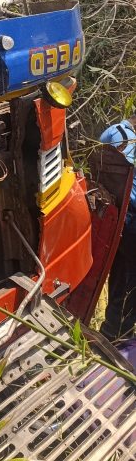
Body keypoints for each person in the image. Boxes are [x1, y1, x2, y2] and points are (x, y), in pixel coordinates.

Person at [100, 117, 136, 342]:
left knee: (122, 275)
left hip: (122, 219)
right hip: (129, 218)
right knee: (128, 280)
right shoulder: (122, 136)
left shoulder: (117, 133)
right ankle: (121, 332)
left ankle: (113, 332)